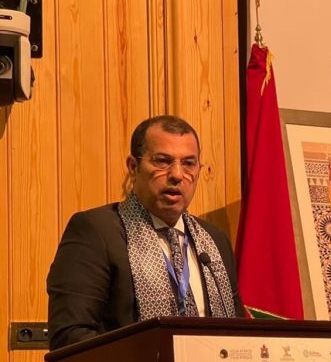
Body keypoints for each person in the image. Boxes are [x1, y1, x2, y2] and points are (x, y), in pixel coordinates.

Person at [47, 115, 244, 350]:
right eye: (162, 161)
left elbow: (238, 332)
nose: (177, 174)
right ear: (133, 167)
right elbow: (70, 337)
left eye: (189, 163)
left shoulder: (213, 241)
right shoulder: (95, 232)